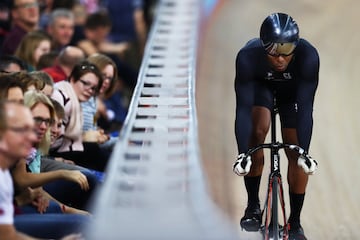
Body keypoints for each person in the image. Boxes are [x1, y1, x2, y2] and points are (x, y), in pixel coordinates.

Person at [232, 13, 319, 240]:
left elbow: (306, 109)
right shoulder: (247, 57)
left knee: (295, 150)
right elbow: (242, 109)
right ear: (262, 46)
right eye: (273, 50)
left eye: (287, 49)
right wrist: (243, 153)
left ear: (296, 45)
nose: (280, 58)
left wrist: (304, 153)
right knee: (258, 130)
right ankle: (252, 206)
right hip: (261, 90)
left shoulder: (308, 57)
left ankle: (296, 222)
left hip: (291, 96)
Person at [0, 101, 84, 240]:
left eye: (48, 121)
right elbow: (7, 235)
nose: (32, 136)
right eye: (22, 130)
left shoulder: (5, 173)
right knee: (80, 224)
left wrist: (27, 197)